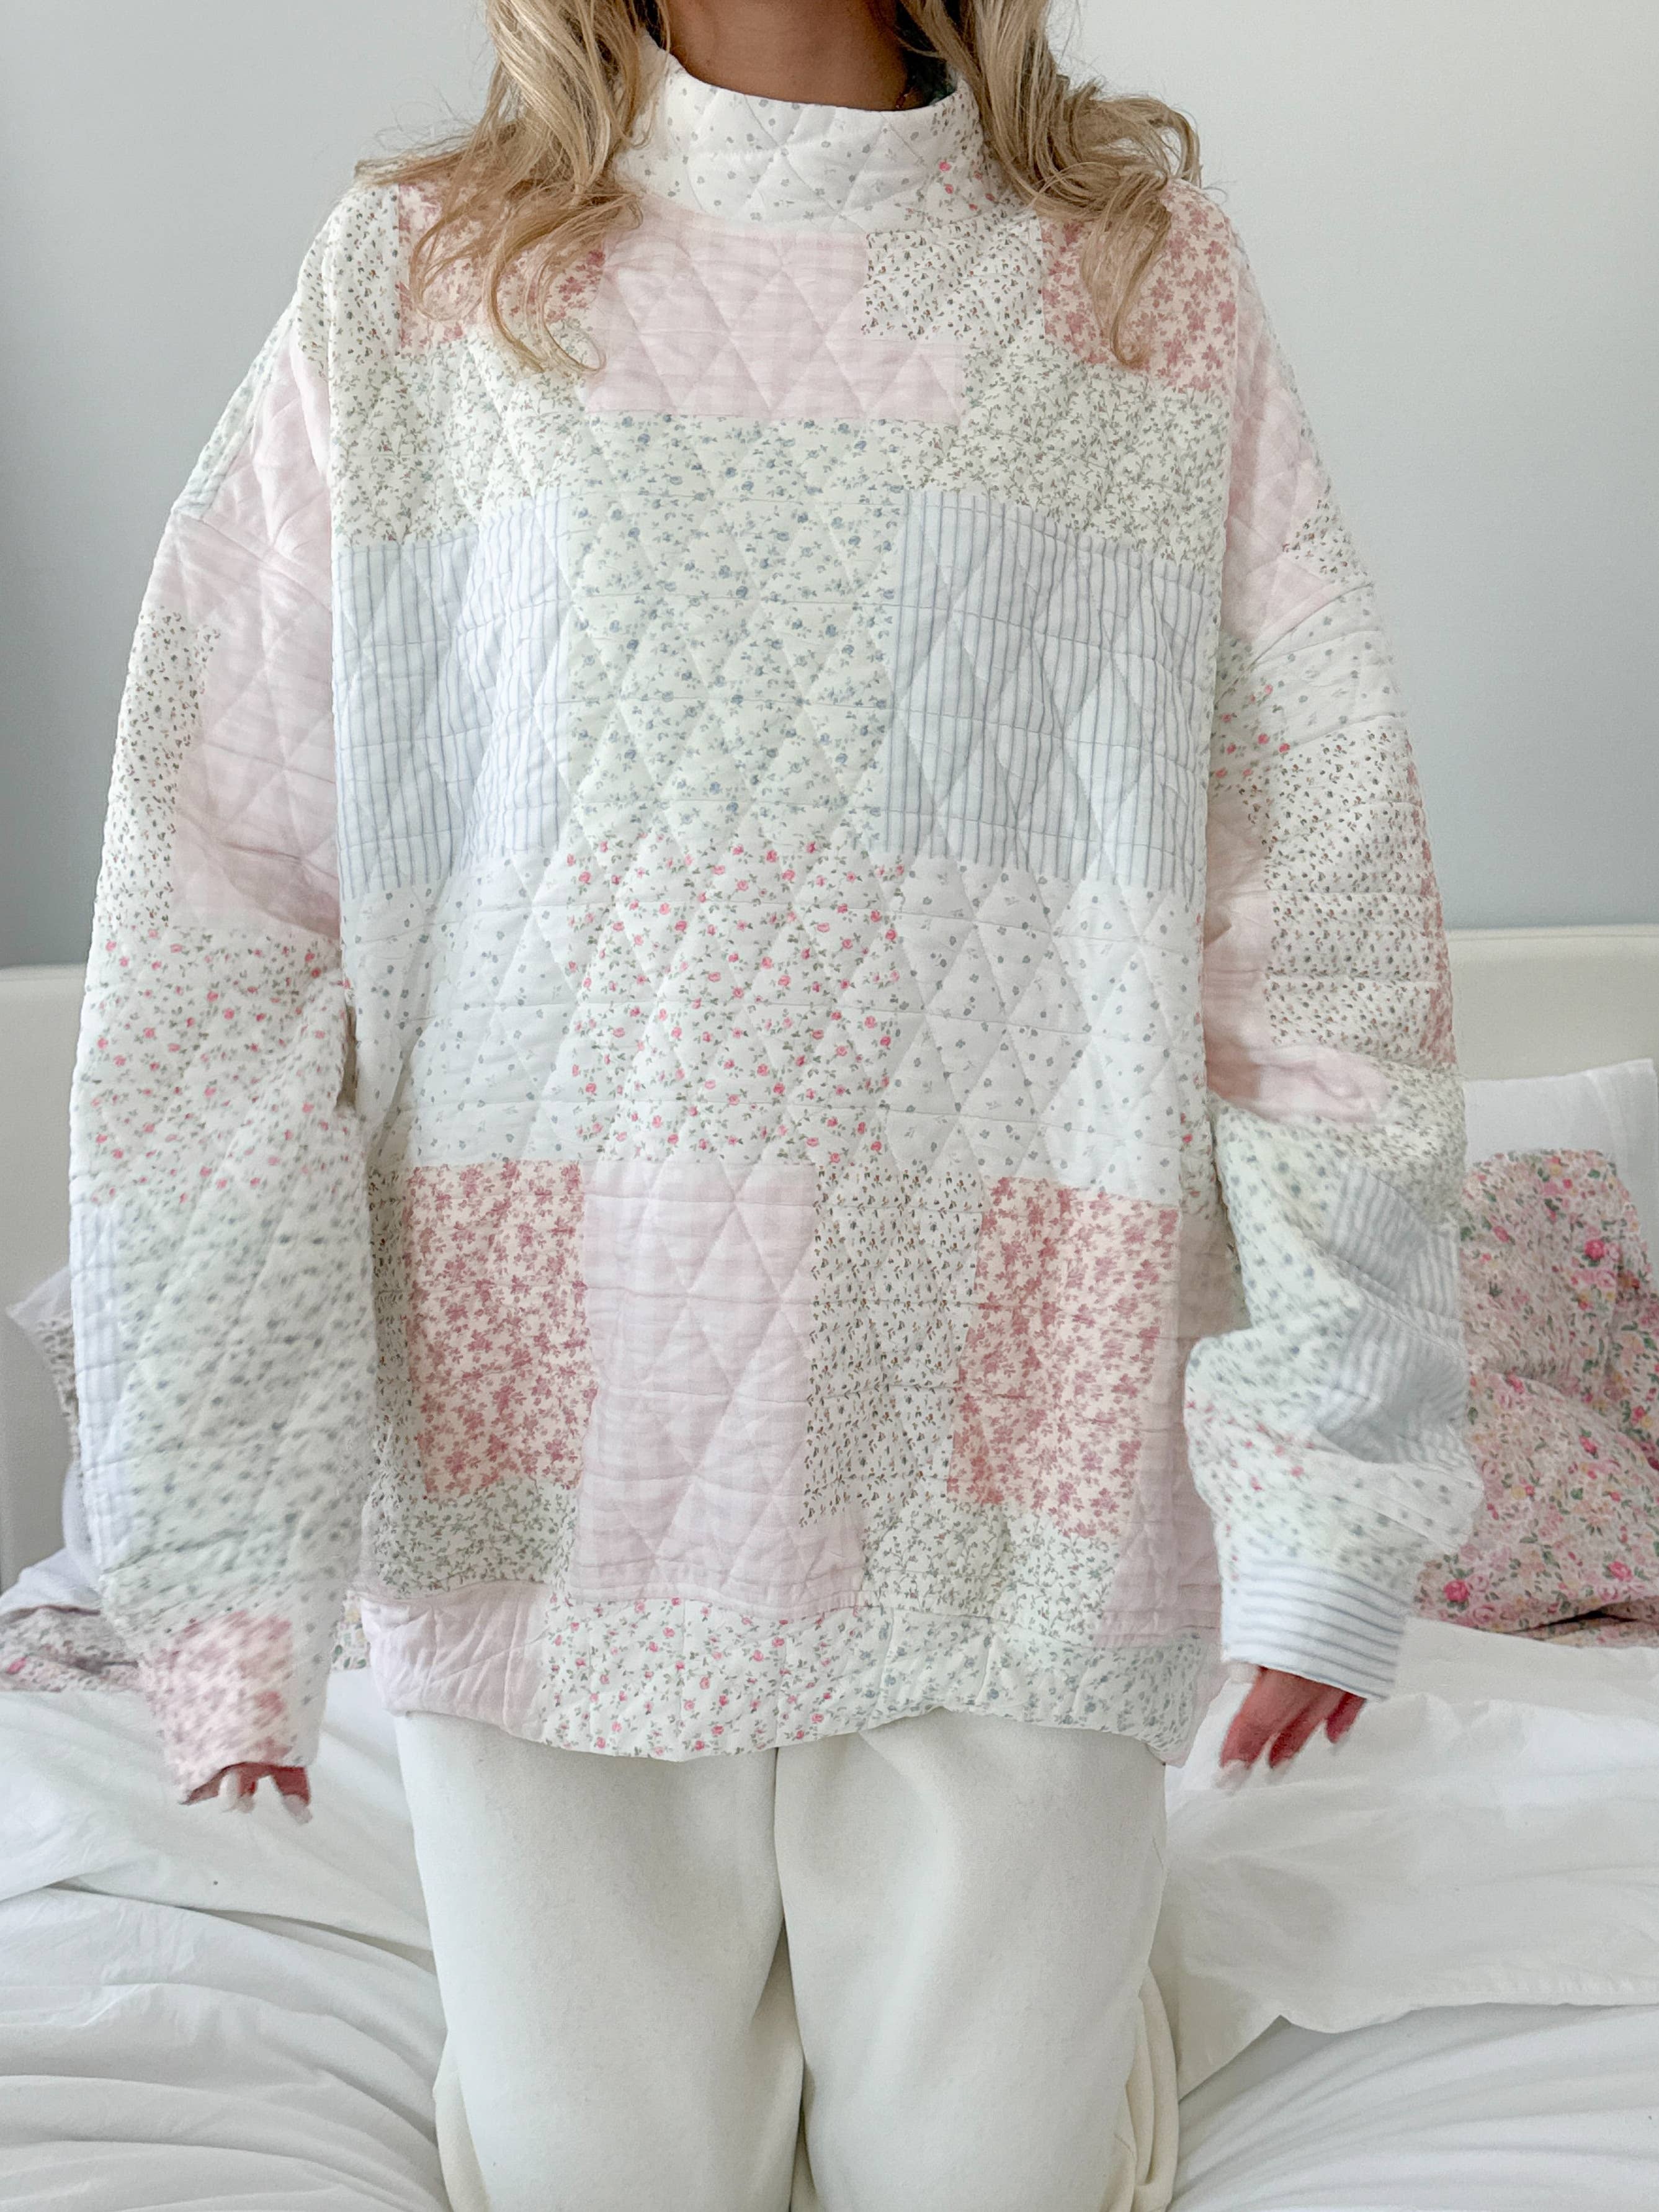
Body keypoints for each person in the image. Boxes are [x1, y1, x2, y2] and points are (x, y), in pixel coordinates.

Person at [66, 0, 1482, 2205]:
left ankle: (1093, 2010)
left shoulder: (1131, 272)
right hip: (554, 1452)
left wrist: (1330, 1501)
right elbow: (223, 921)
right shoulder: (428, 276)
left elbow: (1307, 915)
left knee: (987, 2184)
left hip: (1018, 1435)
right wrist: (229, 1567)